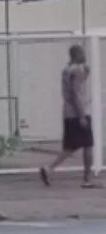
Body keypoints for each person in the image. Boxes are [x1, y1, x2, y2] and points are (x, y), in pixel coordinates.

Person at [40, 44, 98, 188]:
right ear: (77, 54)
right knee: (88, 144)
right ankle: (87, 179)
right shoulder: (77, 71)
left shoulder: (67, 70)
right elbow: (76, 93)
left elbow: (74, 86)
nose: (84, 56)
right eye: (82, 53)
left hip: (68, 112)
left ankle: (49, 168)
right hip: (78, 112)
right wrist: (81, 115)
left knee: (71, 145)